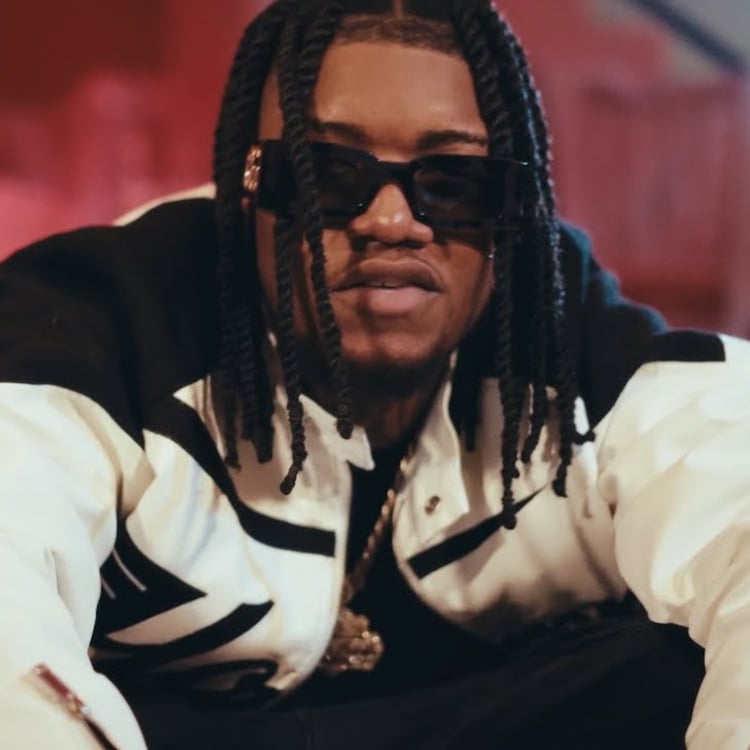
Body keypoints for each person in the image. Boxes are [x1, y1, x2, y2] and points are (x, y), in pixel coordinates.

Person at [1, 0, 748, 748]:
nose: (392, 222)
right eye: (326, 174)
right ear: (249, 186)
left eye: (452, 181)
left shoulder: (567, 338)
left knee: (670, 667)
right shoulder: (94, 323)